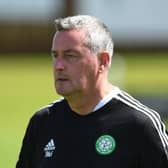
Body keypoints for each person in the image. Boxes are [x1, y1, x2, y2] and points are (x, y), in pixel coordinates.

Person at [16, 15, 168, 168]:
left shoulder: (139, 125)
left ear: (103, 61)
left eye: (70, 56)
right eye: (55, 56)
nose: (59, 66)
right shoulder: (42, 122)